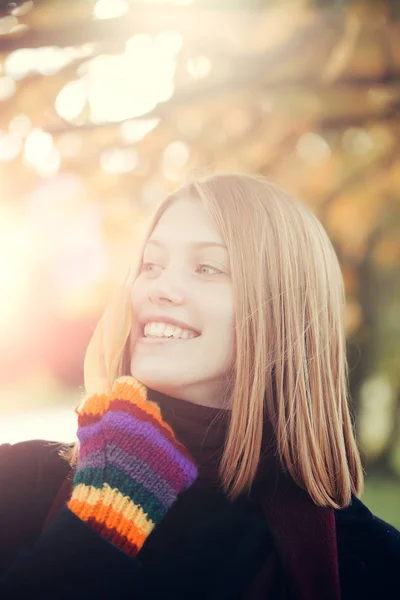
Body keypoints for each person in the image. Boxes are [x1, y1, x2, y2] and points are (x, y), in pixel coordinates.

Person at [0, 173, 399, 600]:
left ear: (282, 308)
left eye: (207, 267)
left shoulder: (371, 562)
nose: (160, 288)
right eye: (151, 265)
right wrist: (99, 526)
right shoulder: (18, 483)